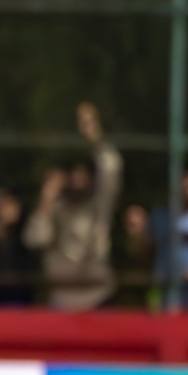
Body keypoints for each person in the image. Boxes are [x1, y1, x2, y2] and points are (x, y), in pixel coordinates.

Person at [23, 102, 123, 311]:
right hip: (61, 300)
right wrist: (47, 198)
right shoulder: (56, 207)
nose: (78, 179)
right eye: (74, 173)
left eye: (84, 174)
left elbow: (111, 167)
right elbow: (35, 240)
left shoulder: (98, 206)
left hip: (96, 296)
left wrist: (93, 135)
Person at [123, 168, 188, 314]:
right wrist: (137, 236)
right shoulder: (159, 218)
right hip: (166, 297)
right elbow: (144, 257)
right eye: (185, 180)